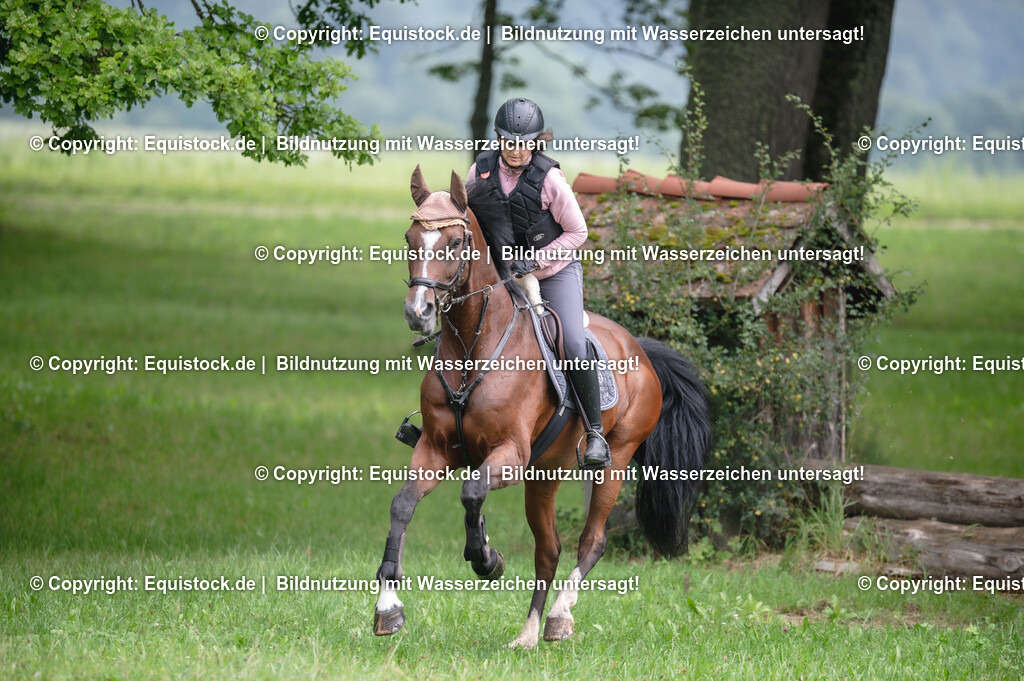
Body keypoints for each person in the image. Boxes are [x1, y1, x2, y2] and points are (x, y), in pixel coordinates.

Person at [465, 97, 610, 469]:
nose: (516, 150)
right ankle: (443, 419)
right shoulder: (480, 171)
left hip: (553, 272)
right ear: (498, 139)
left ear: (536, 141)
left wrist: (536, 259)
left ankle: (594, 432)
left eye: (524, 143)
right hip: (502, 272)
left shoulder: (550, 179)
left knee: (571, 340)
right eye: (508, 142)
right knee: (463, 325)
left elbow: (578, 232)